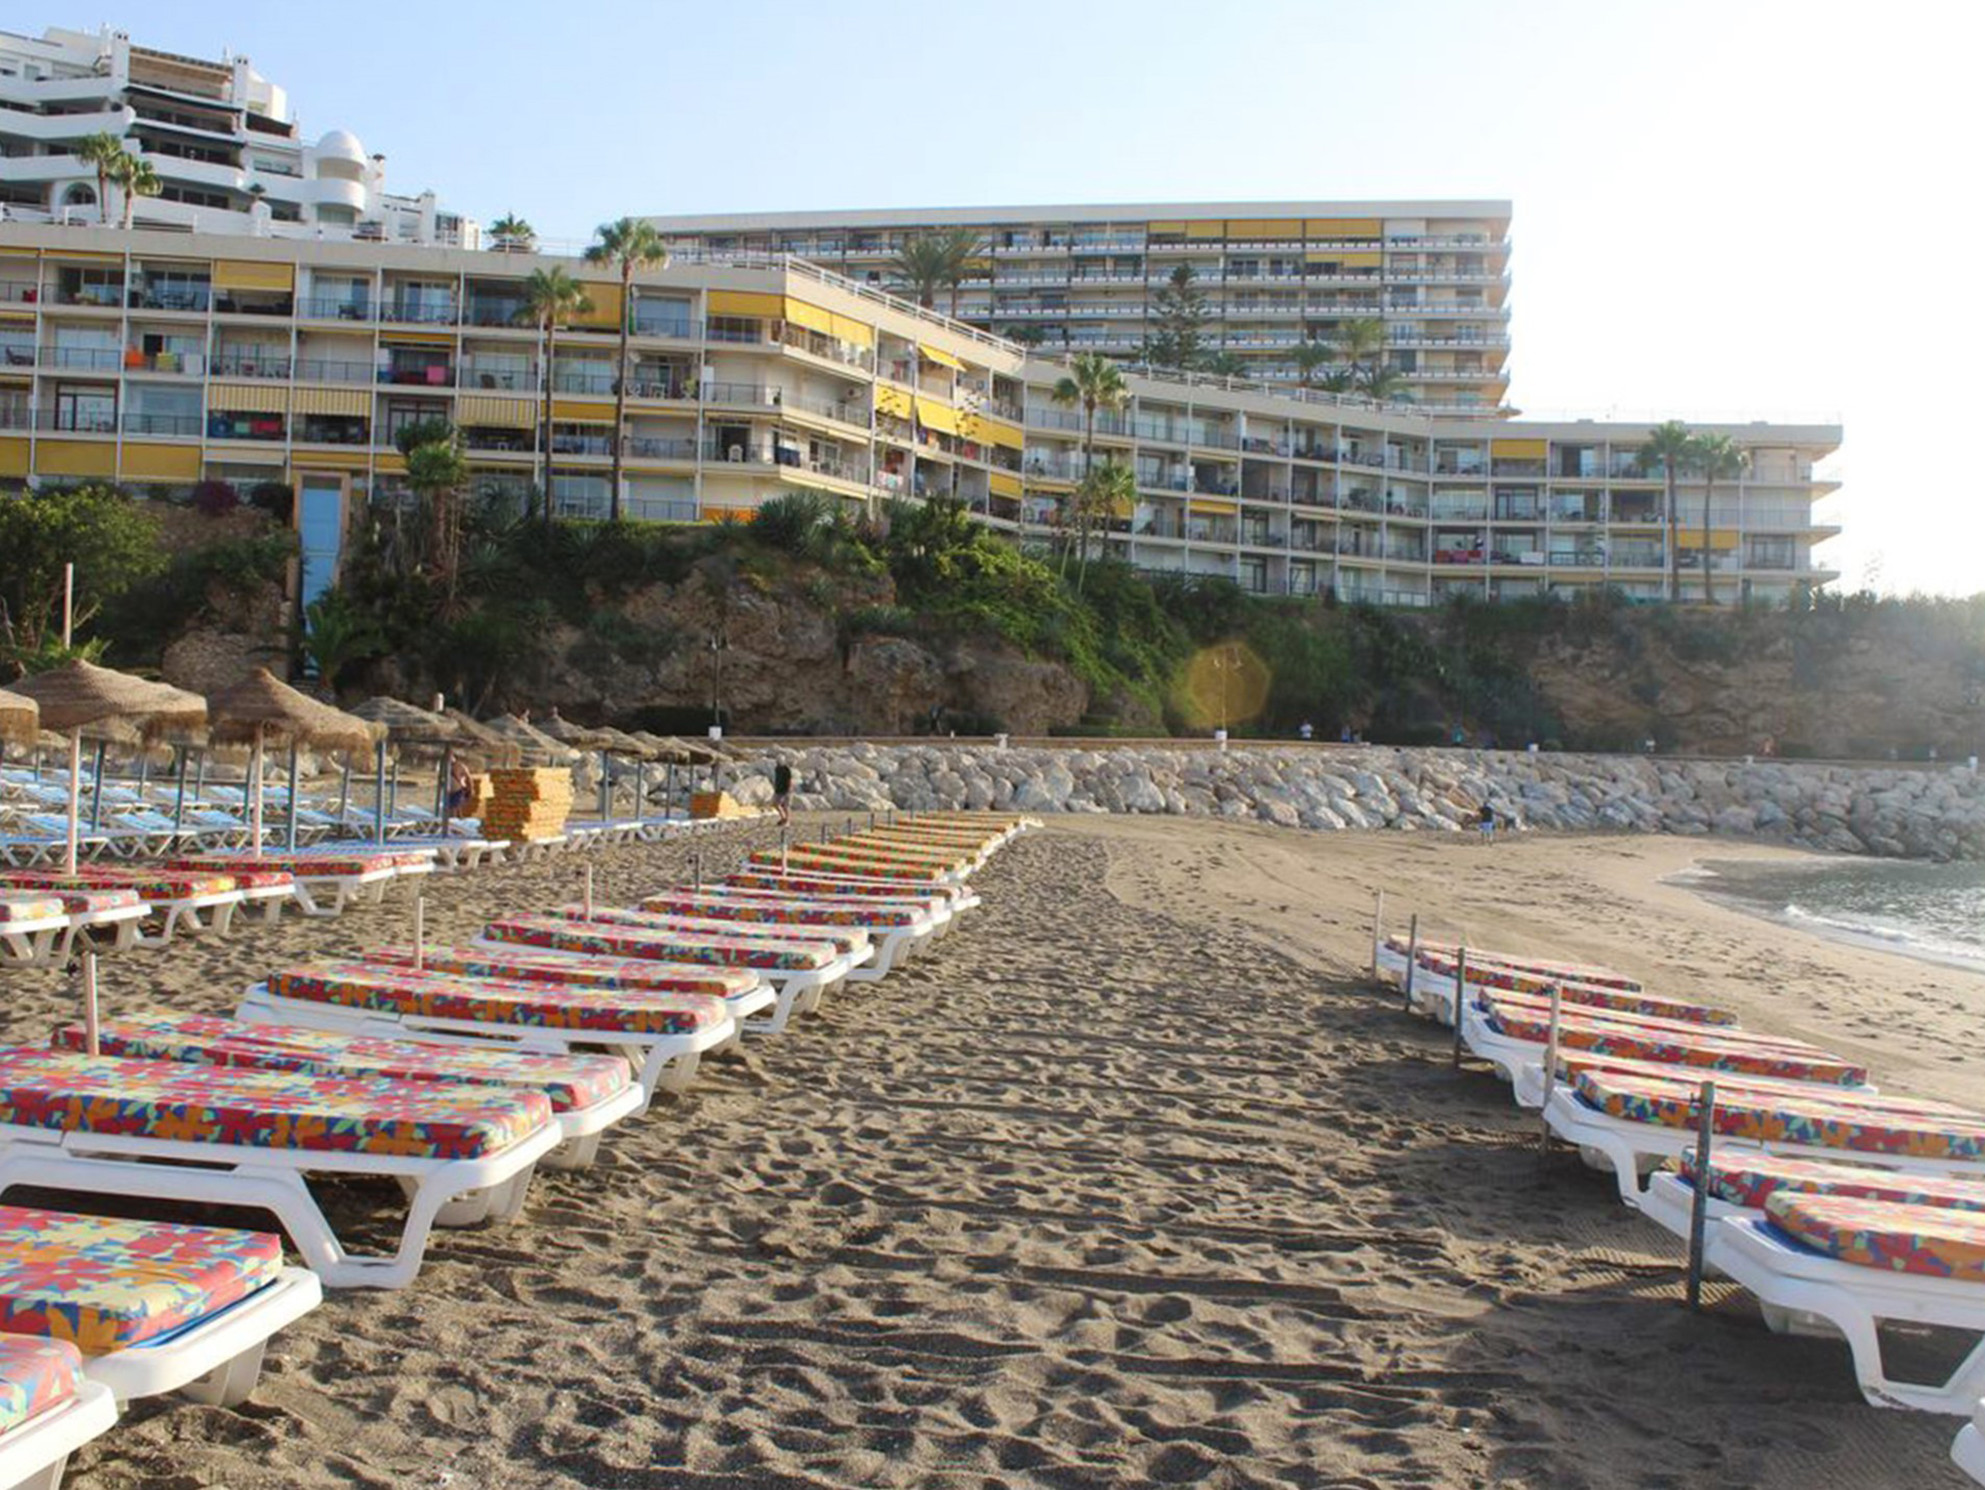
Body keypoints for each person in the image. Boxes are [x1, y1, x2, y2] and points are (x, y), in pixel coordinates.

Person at [445, 756, 472, 820]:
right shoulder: (446, 767)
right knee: (454, 807)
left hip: (457, 789)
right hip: (450, 790)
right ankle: (455, 819)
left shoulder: (460, 766)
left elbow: (468, 777)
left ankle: (456, 820)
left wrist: (469, 787)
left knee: (455, 807)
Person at [773, 760, 793, 826]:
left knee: (786, 806)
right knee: (776, 804)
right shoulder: (777, 769)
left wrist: (789, 788)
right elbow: (777, 779)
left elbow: (789, 779)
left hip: (785, 790)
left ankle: (787, 820)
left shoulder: (786, 769)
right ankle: (783, 818)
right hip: (778, 790)